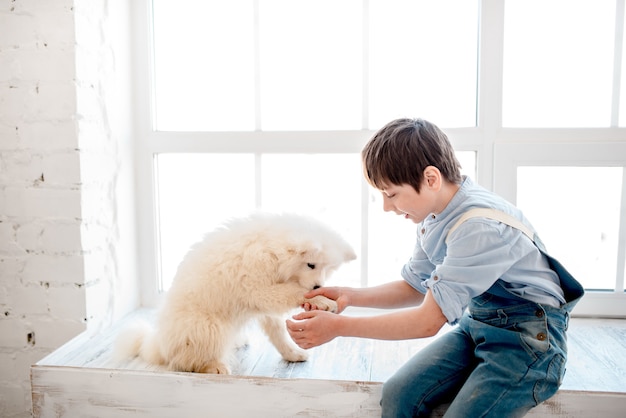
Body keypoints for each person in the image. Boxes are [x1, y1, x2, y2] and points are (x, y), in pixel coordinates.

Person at [286, 118, 584, 418]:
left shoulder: (478, 227)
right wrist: (348, 296)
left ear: (431, 178)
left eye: (391, 194)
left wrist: (339, 327)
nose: (387, 207)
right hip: (479, 326)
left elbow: (426, 322)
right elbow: (415, 286)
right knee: (397, 395)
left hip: (529, 342)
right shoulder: (436, 215)